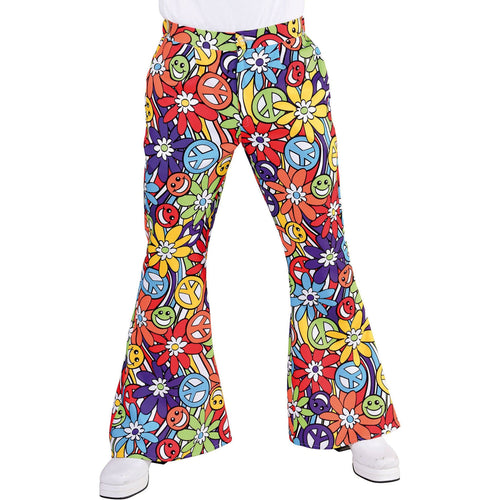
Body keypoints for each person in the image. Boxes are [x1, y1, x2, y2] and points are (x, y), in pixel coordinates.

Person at [99, 1, 402, 497]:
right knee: (171, 251)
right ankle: (147, 428)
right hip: (186, 58)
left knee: (320, 245)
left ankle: (351, 415)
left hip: (286, 58)